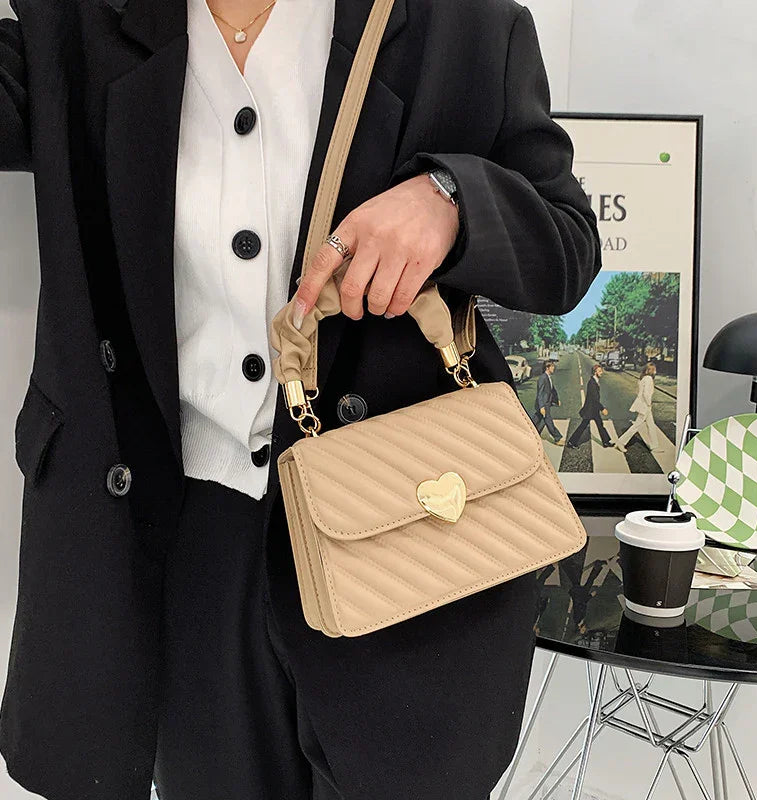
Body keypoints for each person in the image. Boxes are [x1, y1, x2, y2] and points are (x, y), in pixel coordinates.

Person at [0, 0, 602, 798]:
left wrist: (452, 202)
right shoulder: (76, 25)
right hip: (187, 543)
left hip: (410, 530)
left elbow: (568, 244)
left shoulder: (465, 23)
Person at [614, 361, 663, 453]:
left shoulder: (643, 378)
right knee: (636, 426)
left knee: (651, 425)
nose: (655, 371)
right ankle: (621, 442)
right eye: (654, 369)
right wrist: (649, 403)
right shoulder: (648, 379)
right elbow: (645, 394)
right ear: (650, 370)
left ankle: (654, 446)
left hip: (644, 405)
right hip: (645, 406)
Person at [567, 364, 613, 448]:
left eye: (601, 370)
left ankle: (606, 441)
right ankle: (571, 442)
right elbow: (595, 399)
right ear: (595, 372)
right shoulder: (592, 383)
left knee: (600, 424)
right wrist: (602, 408)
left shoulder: (595, 381)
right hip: (590, 409)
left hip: (594, 409)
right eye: (599, 371)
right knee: (583, 426)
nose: (601, 372)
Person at [533, 360, 564, 445]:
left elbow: (552, 390)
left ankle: (530, 434)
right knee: (548, 421)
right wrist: (542, 406)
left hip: (547, 403)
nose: (554, 368)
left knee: (535, 421)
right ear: (547, 368)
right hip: (543, 404)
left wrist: (556, 400)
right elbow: (540, 393)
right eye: (552, 366)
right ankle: (557, 438)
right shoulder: (542, 378)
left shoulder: (548, 377)